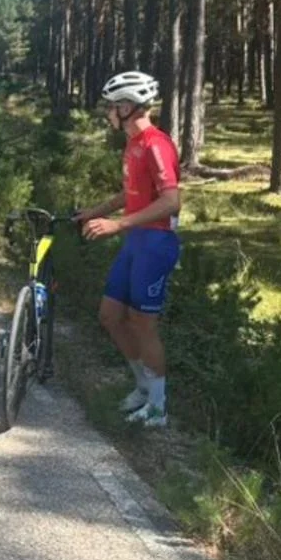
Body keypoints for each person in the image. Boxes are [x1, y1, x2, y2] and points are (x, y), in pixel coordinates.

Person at [74, 71, 181, 428]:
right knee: (109, 316)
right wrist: (94, 213)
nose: (109, 113)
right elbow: (130, 193)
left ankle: (158, 405)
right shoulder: (133, 144)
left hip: (155, 243)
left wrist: (117, 224)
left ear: (128, 106)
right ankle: (142, 387)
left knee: (143, 325)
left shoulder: (155, 143)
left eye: (112, 106)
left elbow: (171, 201)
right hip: (135, 240)